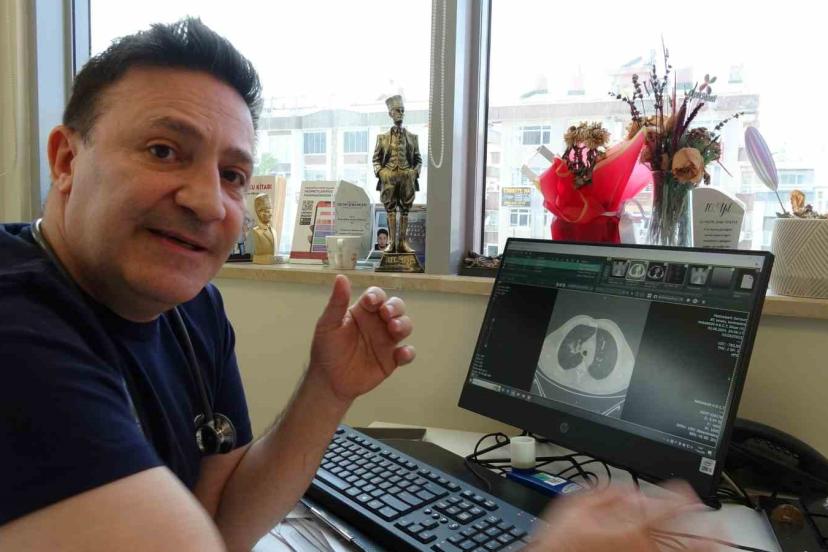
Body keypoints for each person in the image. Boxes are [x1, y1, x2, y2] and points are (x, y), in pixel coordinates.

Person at [0, 18, 710, 552]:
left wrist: (328, 388)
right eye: (164, 150)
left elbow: (225, 524)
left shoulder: (193, 310)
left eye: (233, 174)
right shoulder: (18, 324)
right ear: (65, 160)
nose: (209, 201)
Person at [372, 95, 422, 254]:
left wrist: (414, 173)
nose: (400, 113)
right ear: (390, 114)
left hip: (407, 176)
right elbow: (376, 159)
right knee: (390, 209)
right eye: (397, 111)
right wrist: (381, 172)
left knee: (405, 209)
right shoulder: (382, 138)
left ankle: (402, 243)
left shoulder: (412, 138)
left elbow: (418, 160)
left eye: (402, 110)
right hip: (389, 177)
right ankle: (392, 243)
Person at [248, 193, 275, 263]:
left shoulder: (274, 231)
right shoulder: (256, 231)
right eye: (264, 210)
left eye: (269, 210)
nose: (268, 214)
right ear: (257, 212)